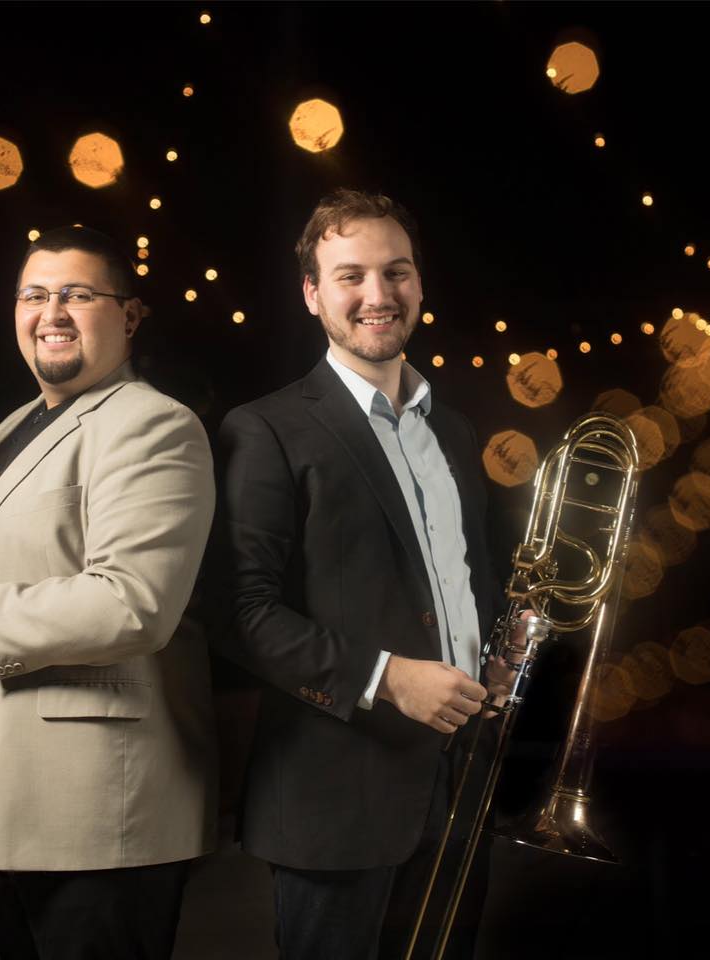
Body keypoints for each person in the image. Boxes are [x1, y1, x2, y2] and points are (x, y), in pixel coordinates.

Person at [0, 225, 217, 960]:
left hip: (97, 812)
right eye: (33, 295)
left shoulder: (154, 424)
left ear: (129, 316)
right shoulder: (18, 426)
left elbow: (134, 602)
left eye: (77, 294)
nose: (52, 313)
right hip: (7, 797)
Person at [212, 189, 515, 960]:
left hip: (456, 785)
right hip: (335, 797)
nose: (378, 295)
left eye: (395, 272)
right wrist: (388, 679)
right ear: (311, 294)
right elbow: (239, 612)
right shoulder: (265, 428)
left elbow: (459, 578)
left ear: (418, 283)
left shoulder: (454, 430)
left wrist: (494, 650)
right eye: (350, 276)